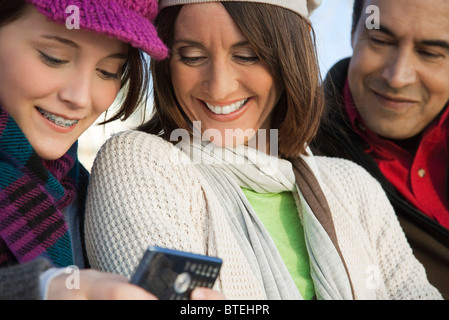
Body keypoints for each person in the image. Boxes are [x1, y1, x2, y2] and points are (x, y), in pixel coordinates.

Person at [84, 0, 442, 300]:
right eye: (192, 56)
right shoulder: (141, 164)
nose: (220, 86)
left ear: (291, 59)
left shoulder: (355, 188)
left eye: (248, 55)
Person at [0, 0, 221, 300]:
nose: (80, 97)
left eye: (107, 71)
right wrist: (42, 289)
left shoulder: (82, 191)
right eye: (54, 58)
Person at [310, 0, 449, 299]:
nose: (397, 76)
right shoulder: (294, 157)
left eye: (430, 53)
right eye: (380, 41)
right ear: (352, 32)